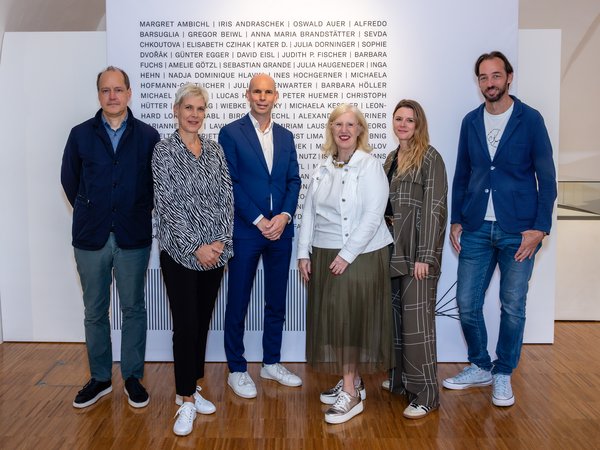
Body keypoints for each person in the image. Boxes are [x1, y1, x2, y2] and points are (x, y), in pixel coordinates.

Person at [443, 51, 557, 407]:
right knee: (465, 301)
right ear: (477, 82)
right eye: (483, 77)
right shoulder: (471, 121)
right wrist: (456, 218)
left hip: (518, 231)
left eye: (496, 76)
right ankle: (479, 364)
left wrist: (540, 228)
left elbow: (548, 178)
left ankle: (503, 372)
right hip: (476, 227)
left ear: (509, 77)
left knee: (513, 304)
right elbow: (462, 173)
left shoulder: (530, 119)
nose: (489, 83)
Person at [61, 66, 160, 409]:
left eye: (119, 90)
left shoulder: (148, 136)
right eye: (106, 90)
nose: (113, 96)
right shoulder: (80, 135)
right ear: (99, 95)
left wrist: (133, 208)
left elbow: (155, 185)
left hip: (133, 236)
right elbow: (70, 181)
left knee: (134, 308)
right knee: (94, 311)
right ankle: (101, 378)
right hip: (91, 237)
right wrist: (92, 208)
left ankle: (132, 377)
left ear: (129, 94)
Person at [297, 103, 394, 424]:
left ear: (360, 131)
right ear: (331, 130)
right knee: (336, 321)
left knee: (349, 321)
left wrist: (346, 254)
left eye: (351, 125)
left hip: (360, 255)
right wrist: (302, 253)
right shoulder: (324, 166)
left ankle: (351, 393)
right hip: (325, 253)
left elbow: (373, 215)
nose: (344, 129)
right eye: (338, 124)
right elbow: (309, 213)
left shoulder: (370, 166)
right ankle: (352, 380)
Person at [152, 83, 234, 436]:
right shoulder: (163, 152)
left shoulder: (215, 151)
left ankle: (192, 385)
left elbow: (227, 197)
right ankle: (185, 400)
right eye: (188, 108)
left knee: (201, 322)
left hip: (215, 255)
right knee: (185, 324)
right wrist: (196, 246)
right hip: (180, 254)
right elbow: (167, 205)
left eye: (200, 109)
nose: (194, 115)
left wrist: (217, 244)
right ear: (176, 110)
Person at [218, 73, 302, 398]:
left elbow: (293, 180)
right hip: (246, 231)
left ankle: (271, 362)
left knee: (276, 301)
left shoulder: (286, 136)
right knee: (238, 300)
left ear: (276, 96)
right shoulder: (231, 133)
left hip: (280, 230)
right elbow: (231, 183)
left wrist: (283, 216)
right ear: (248, 95)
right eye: (257, 91)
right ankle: (237, 369)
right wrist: (257, 219)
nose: (262, 97)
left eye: (268, 92)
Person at [383, 99, 448, 419]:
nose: (404, 124)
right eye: (399, 119)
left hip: (417, 256)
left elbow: (436, 209)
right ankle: (400, 381)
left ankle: (426, 394)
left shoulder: (430, 157)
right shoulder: (391, 159)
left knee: (417, 326)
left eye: (410, 119)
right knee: (396, 323)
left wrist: (427, 256)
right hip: (393, 253)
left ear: (419, 124)